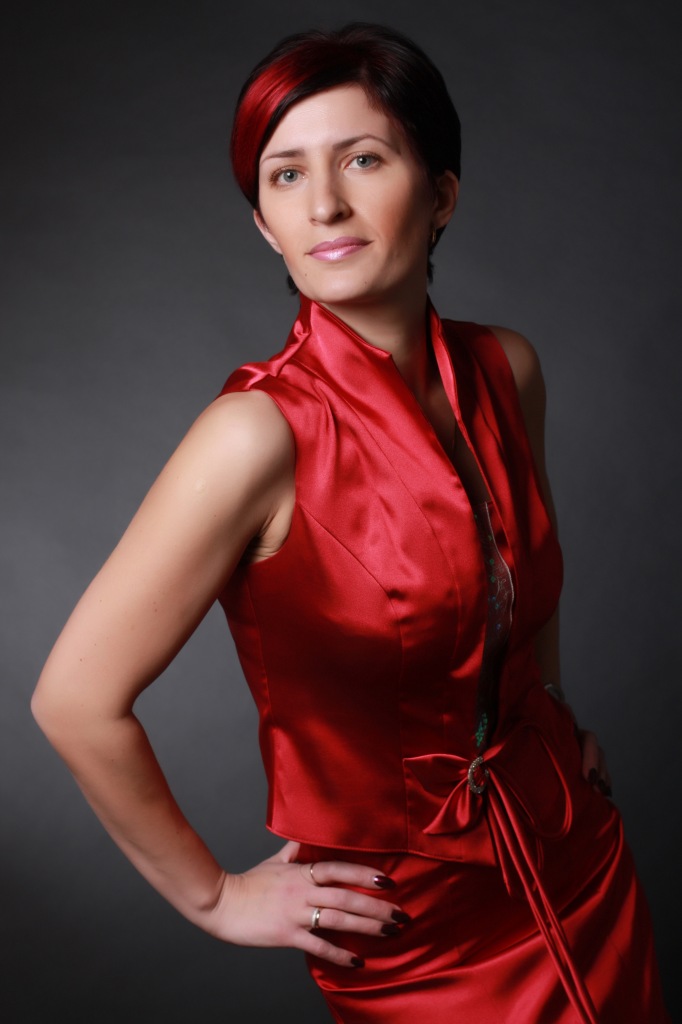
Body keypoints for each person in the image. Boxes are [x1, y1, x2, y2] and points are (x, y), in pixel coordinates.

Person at [32, 23, 669, 1024]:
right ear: (263, 225)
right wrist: (214, 896)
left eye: (363, 159)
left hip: (577, 855)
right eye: (286, 176)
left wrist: (549, 702)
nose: (323, 204)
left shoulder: (508, 369)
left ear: (441, 192)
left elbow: (521, 572)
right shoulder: (254, 435)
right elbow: (73, 700)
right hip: (414, 932)